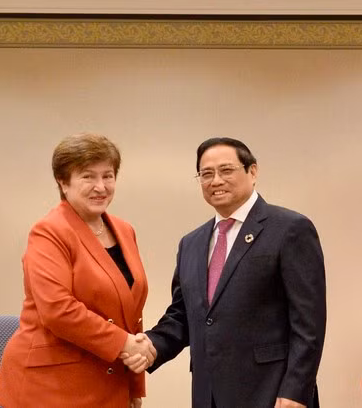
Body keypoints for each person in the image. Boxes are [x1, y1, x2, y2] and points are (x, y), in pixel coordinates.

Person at [131, 137, 327, 408]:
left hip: (272, 393)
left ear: (252, 171)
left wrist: (296, 389)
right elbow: (183, 316)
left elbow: (309, 323)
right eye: (206, 174)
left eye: (226, 170)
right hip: (208, 394)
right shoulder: (191, 243)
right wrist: (151, 346)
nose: (216, 181)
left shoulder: (290, 229)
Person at [0, 133, 153, 408]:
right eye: (88, 177)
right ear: (63, 181)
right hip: (50, 386)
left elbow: (130, 312)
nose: (100, 186)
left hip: (109, 380)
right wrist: (125, 344)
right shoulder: (49, 232)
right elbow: (58, 309)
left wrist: (134, 384)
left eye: (108, 176)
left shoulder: (125, 230)